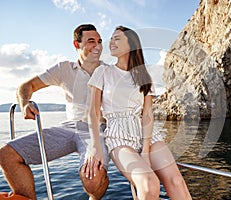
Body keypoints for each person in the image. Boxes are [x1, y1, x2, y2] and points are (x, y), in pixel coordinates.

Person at [0, 24, 109, 200]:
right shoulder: (63, 69)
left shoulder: (109, 71)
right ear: (76, 44)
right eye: (91, 41)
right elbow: (27, 86)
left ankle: (96, 195)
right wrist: (25, 103)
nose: (97, 45)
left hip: (96, 129)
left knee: (92, 179)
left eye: (99, 41)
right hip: (68, 128)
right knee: (7, 154)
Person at [85, 26, 192, 200]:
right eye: (111, 38)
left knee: (177, 181)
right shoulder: (103, 72)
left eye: (117, 38)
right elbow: (92, 113)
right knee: (149, 184)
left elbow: (148, 115)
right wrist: (96, 147)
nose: (111, 42)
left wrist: (145, 151)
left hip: (147, 134)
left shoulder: (144, 76)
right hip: (118, 136)